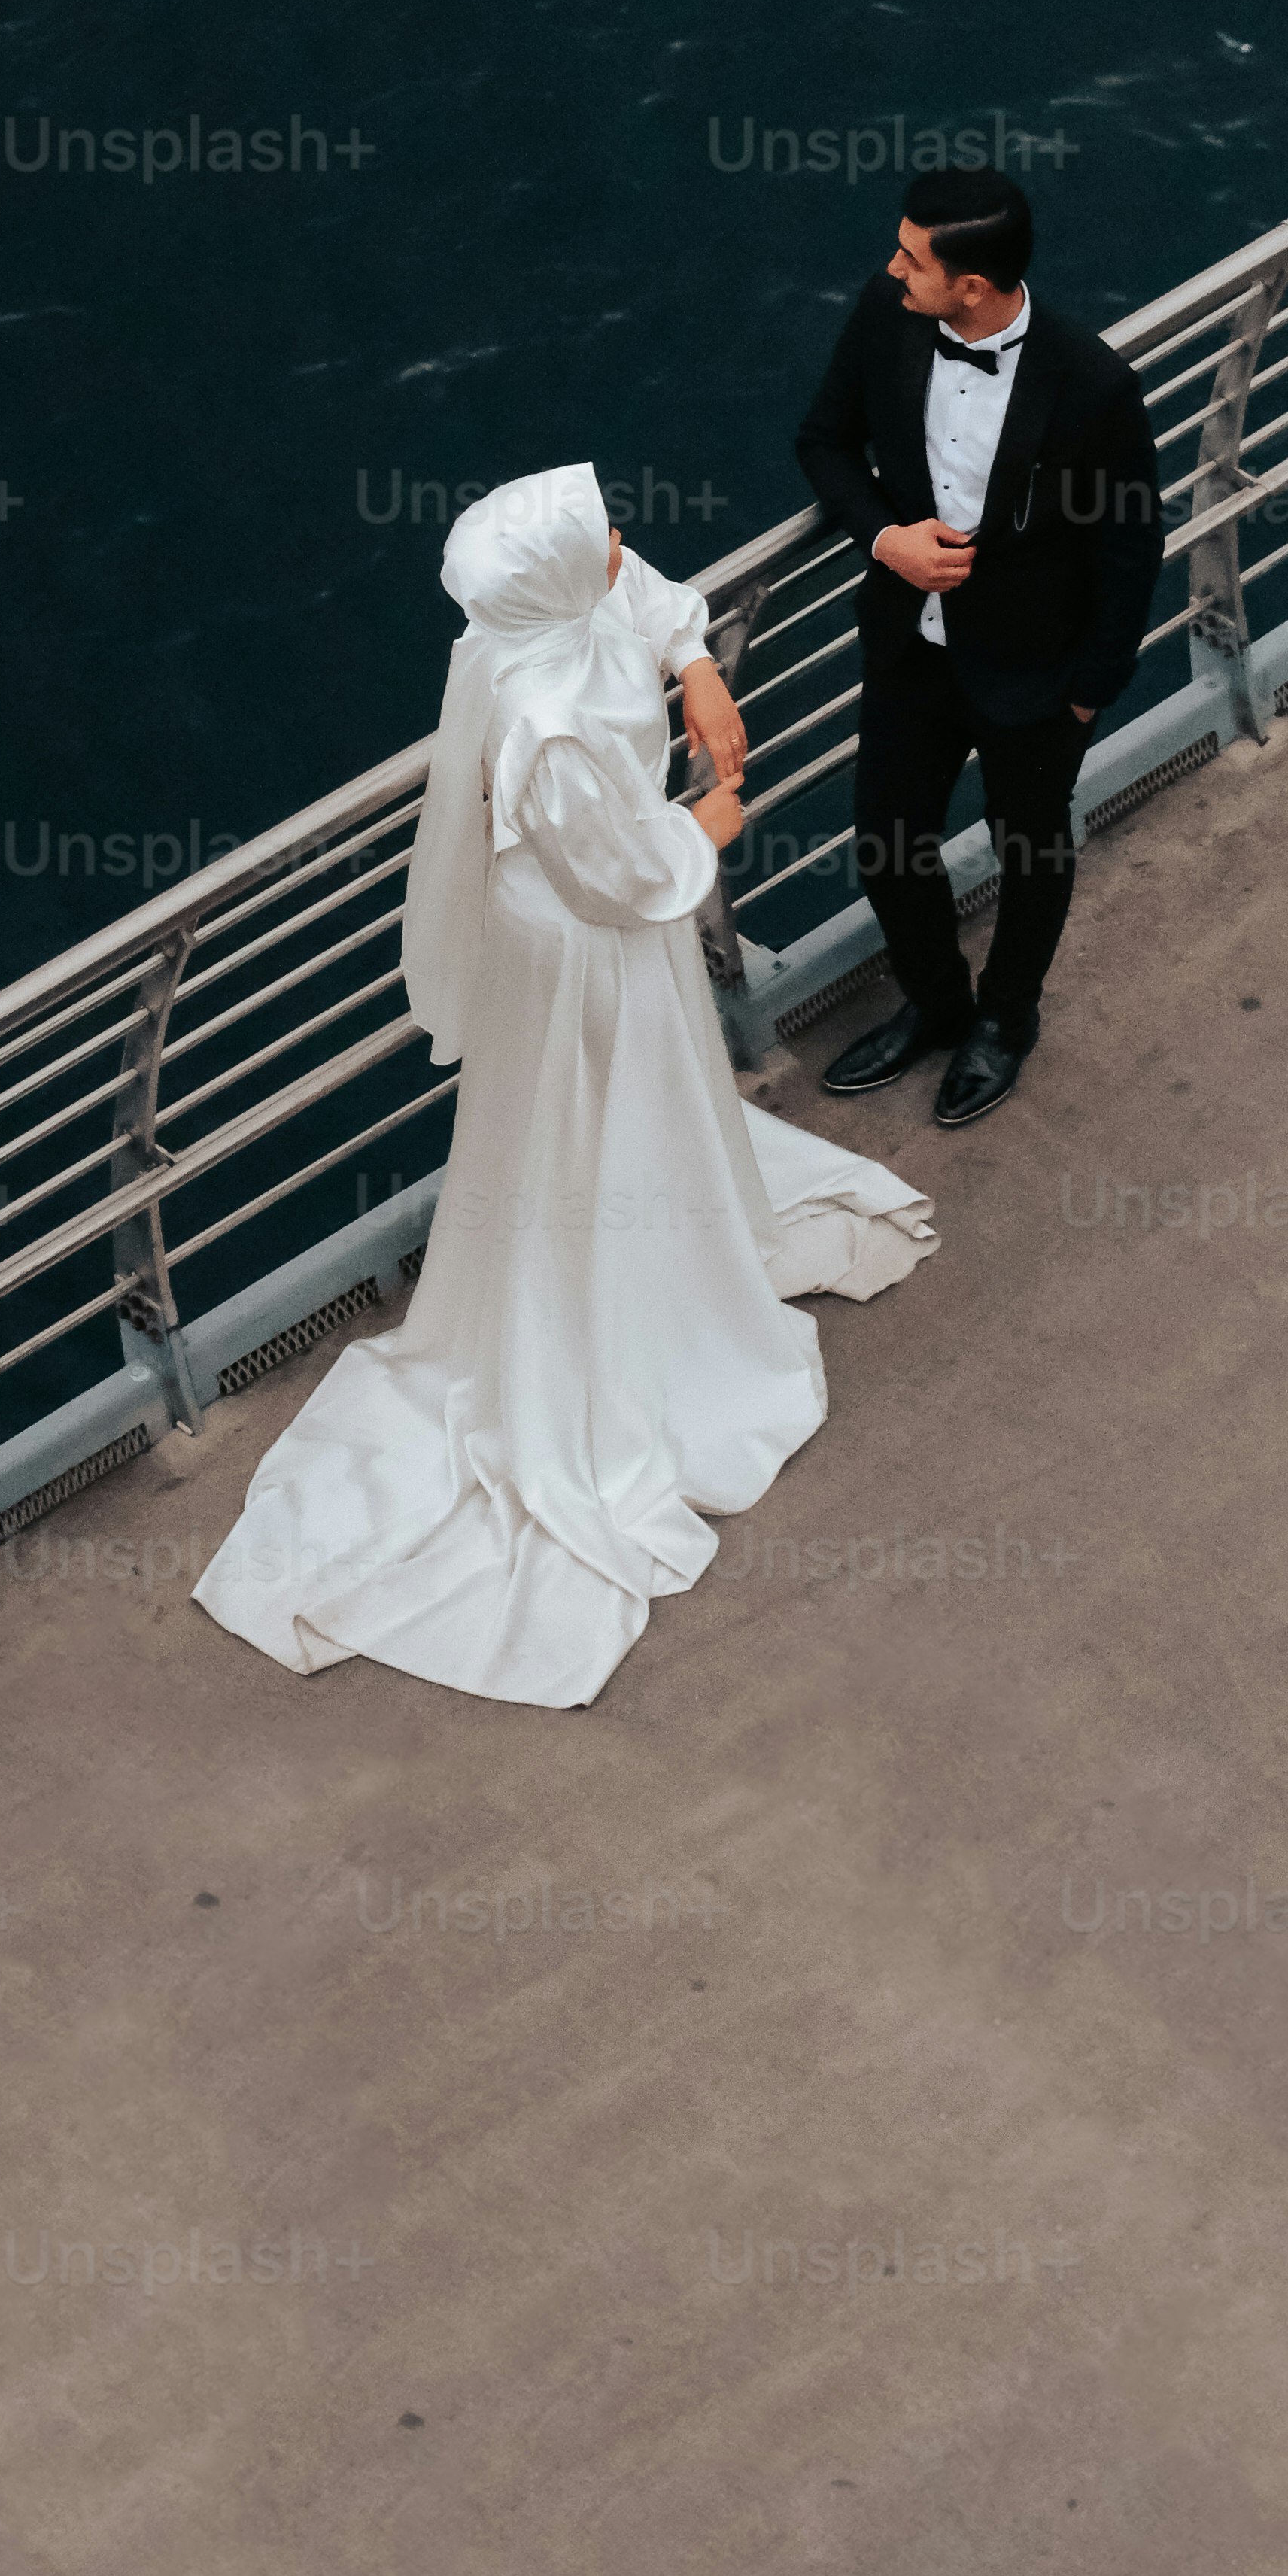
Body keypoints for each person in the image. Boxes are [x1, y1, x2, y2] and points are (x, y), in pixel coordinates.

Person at [192, 462, 934, 1709]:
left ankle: (642, 1260)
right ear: (548, 582)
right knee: (601, 1114)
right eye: (599, 535)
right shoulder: (543, 725)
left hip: (590, 923)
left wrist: (695, 665)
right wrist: (707, 828)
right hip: (583, 945)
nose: (624, 541)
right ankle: (635, 1319)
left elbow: (639, 592)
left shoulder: (537, 621)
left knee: (605, 1124)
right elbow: (609, 868)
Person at [791, 169, 1163, 1128]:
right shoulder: (885, 314)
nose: (889, 267)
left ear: (970, 287)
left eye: (910, 256)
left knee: (1031, 850)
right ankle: (938, 1005)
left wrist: (1088, 692)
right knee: (885, 844)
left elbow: (1129, 544)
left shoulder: (1090, 384)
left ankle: (1005, 1019)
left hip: (1037, 678)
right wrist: (887, 539)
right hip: (912, 654)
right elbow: (824, 442)